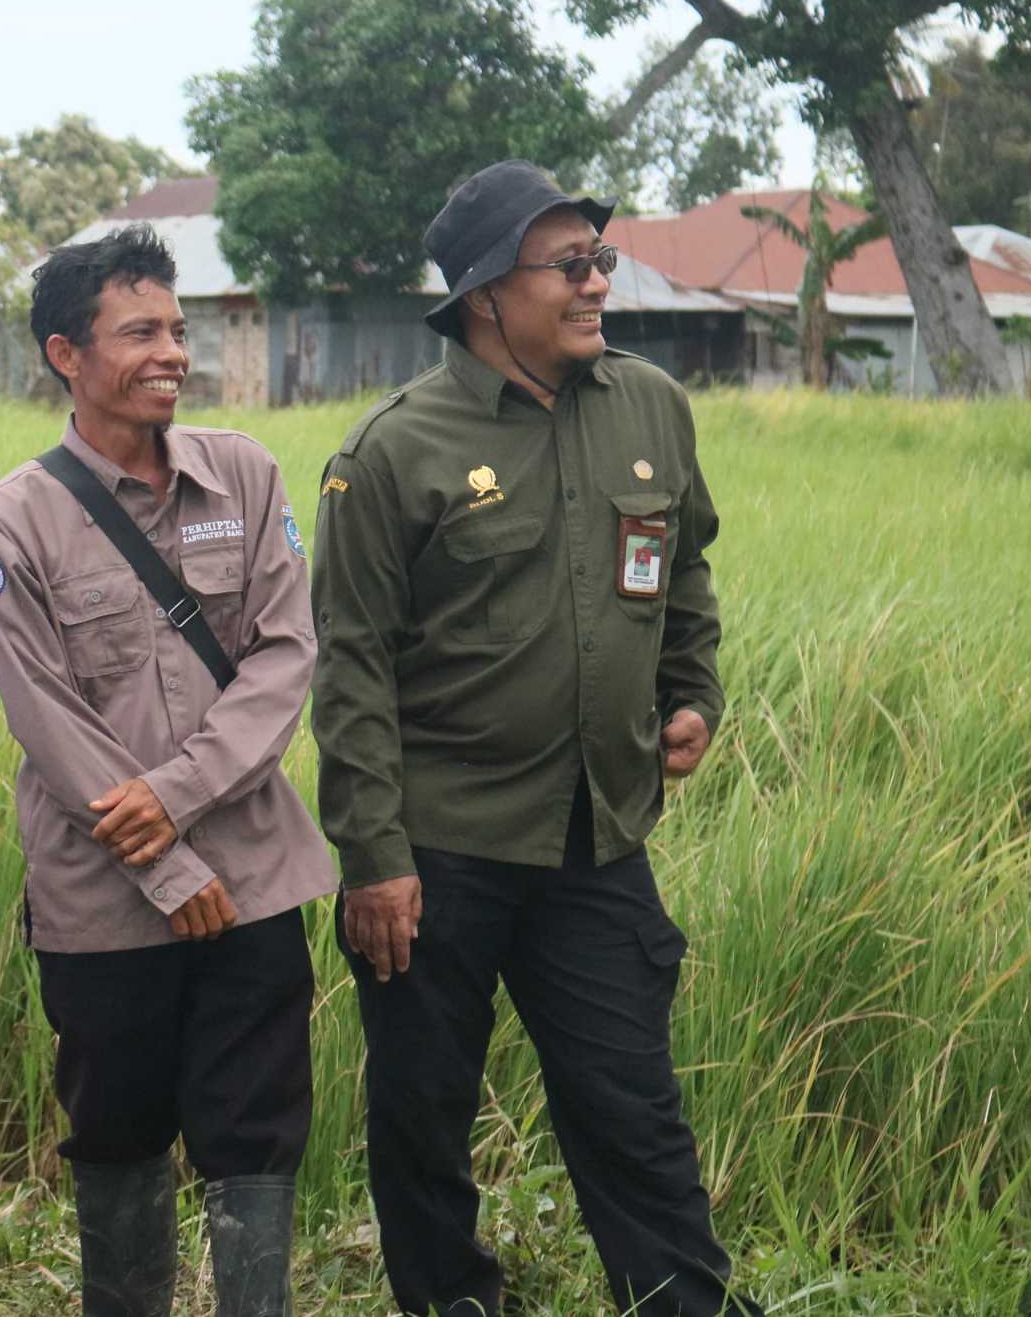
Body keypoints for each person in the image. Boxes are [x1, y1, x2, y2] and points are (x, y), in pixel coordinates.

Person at [311, 161, 759, 1317]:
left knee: (632, 1102)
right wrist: (374, 858)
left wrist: (689, 690)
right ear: (484, 296)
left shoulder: (650, 404)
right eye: (568, 266)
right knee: (423, 1112)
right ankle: (452, 1303)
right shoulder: (392, 453)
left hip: (595, 836)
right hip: (439, 849)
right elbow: (350, 666)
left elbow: (683, 564)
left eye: (598, 260)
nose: (595, 283)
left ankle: (677, 1303)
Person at [0, 226, 333, 1316]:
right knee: (117, 1125)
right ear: (65, 355)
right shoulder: (9, 522)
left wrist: (171, 798)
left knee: (256, 1128)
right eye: (141, 333)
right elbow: (46, 718)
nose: (173, 352)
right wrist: (168, 869)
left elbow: (283, 652)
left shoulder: (246, 473)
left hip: (255, 876)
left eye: (178, 330)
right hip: (105, 902)